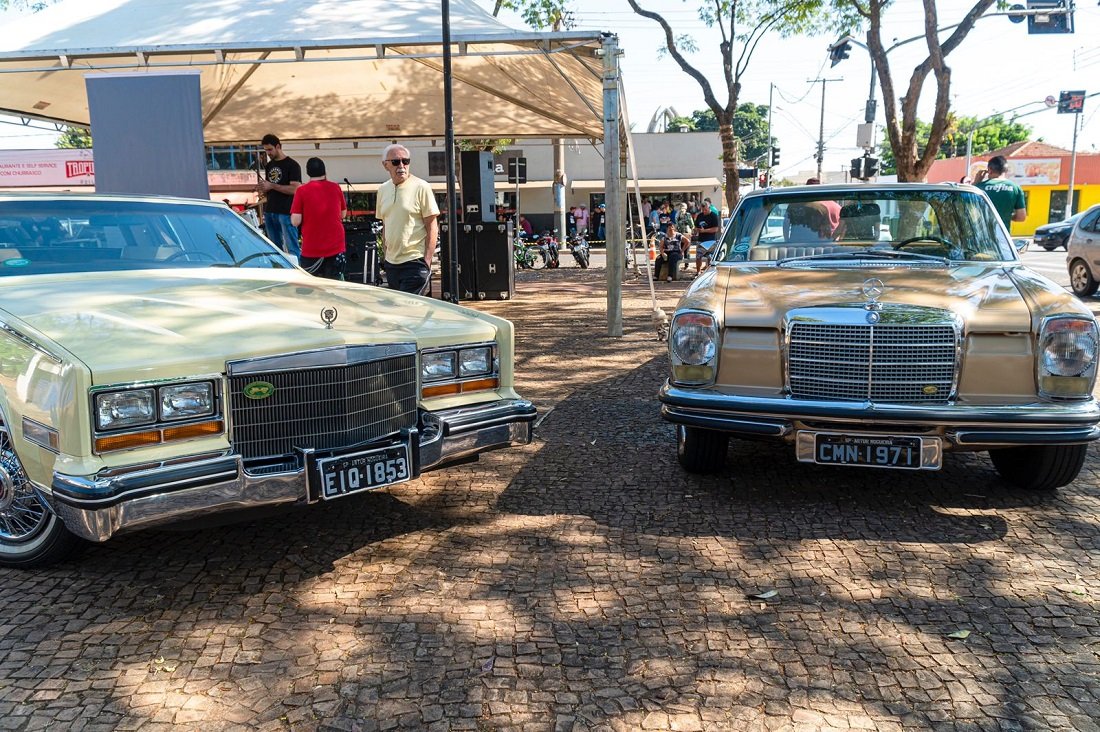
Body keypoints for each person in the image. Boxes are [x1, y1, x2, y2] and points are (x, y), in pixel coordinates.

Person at [376, 144, 440, 295]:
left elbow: (432, 226)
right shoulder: (382, 189)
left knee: (409, 310)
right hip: (392, 263)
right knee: (400, 312)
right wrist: (386, 255)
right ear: (385, 165)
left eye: (406, 161)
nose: (402, 166)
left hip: (415, 261)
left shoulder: (421, 187)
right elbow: (386, 223)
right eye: (396, 162)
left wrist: (427, 261)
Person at [290, 157, 347, 280]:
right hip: (336, 246)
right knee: (335, 286)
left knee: (312, 290)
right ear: (324, 171)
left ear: (307, 172)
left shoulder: (302, 191)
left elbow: (295, 221)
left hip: (312, 247)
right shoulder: (335, 187)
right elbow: (343, 214)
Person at [257, 134, 302, 256]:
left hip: (286, 212)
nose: (268, 153)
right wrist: (264, 189)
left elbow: (295, 189)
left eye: (270, 149)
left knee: (292, 248)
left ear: (278, 146)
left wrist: (271, 186)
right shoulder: (269, 165)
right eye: (266, 150)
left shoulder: (292, 165)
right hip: (270, 210)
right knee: (275, 250)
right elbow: (270, 187)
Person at [975, 155, 1026, 230]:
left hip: (983, 235)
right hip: (1003, 237)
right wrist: (1006, 216)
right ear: (1005, 170)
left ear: (989, 170)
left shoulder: (980, 187)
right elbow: (1021, 217)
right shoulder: (1016, 188)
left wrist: (976, 182)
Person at [694, 202, 721, 274]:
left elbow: (715, 229)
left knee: (710, 257)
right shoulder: (700, 215)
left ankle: (709, 271)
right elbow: (696, 226)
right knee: (698, 256)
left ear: (709, 208)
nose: (704, 212)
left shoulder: (714, 216)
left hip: (711, 240)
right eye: (703, 210)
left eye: (705, 210)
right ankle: (698, 271)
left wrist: (704, 230)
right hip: (701, 240)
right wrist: (696, 230)